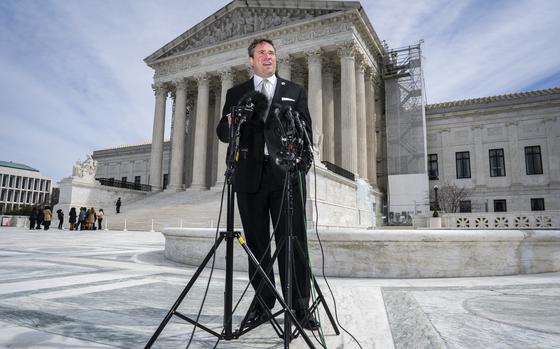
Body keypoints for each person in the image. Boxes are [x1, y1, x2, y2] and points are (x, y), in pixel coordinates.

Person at [216, 38, 317, 329]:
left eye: (271, 53)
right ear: (251, 60)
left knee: (293, 241)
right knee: (257, 246)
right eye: (261, 53)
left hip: (286, 176)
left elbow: (307, 131)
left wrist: (298, 153)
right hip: (249, 177)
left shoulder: (294, 91)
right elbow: (223, 132)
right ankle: (263, 303)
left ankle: (299, 307)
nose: (268, 57)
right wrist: (236, 117)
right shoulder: (237, 93)